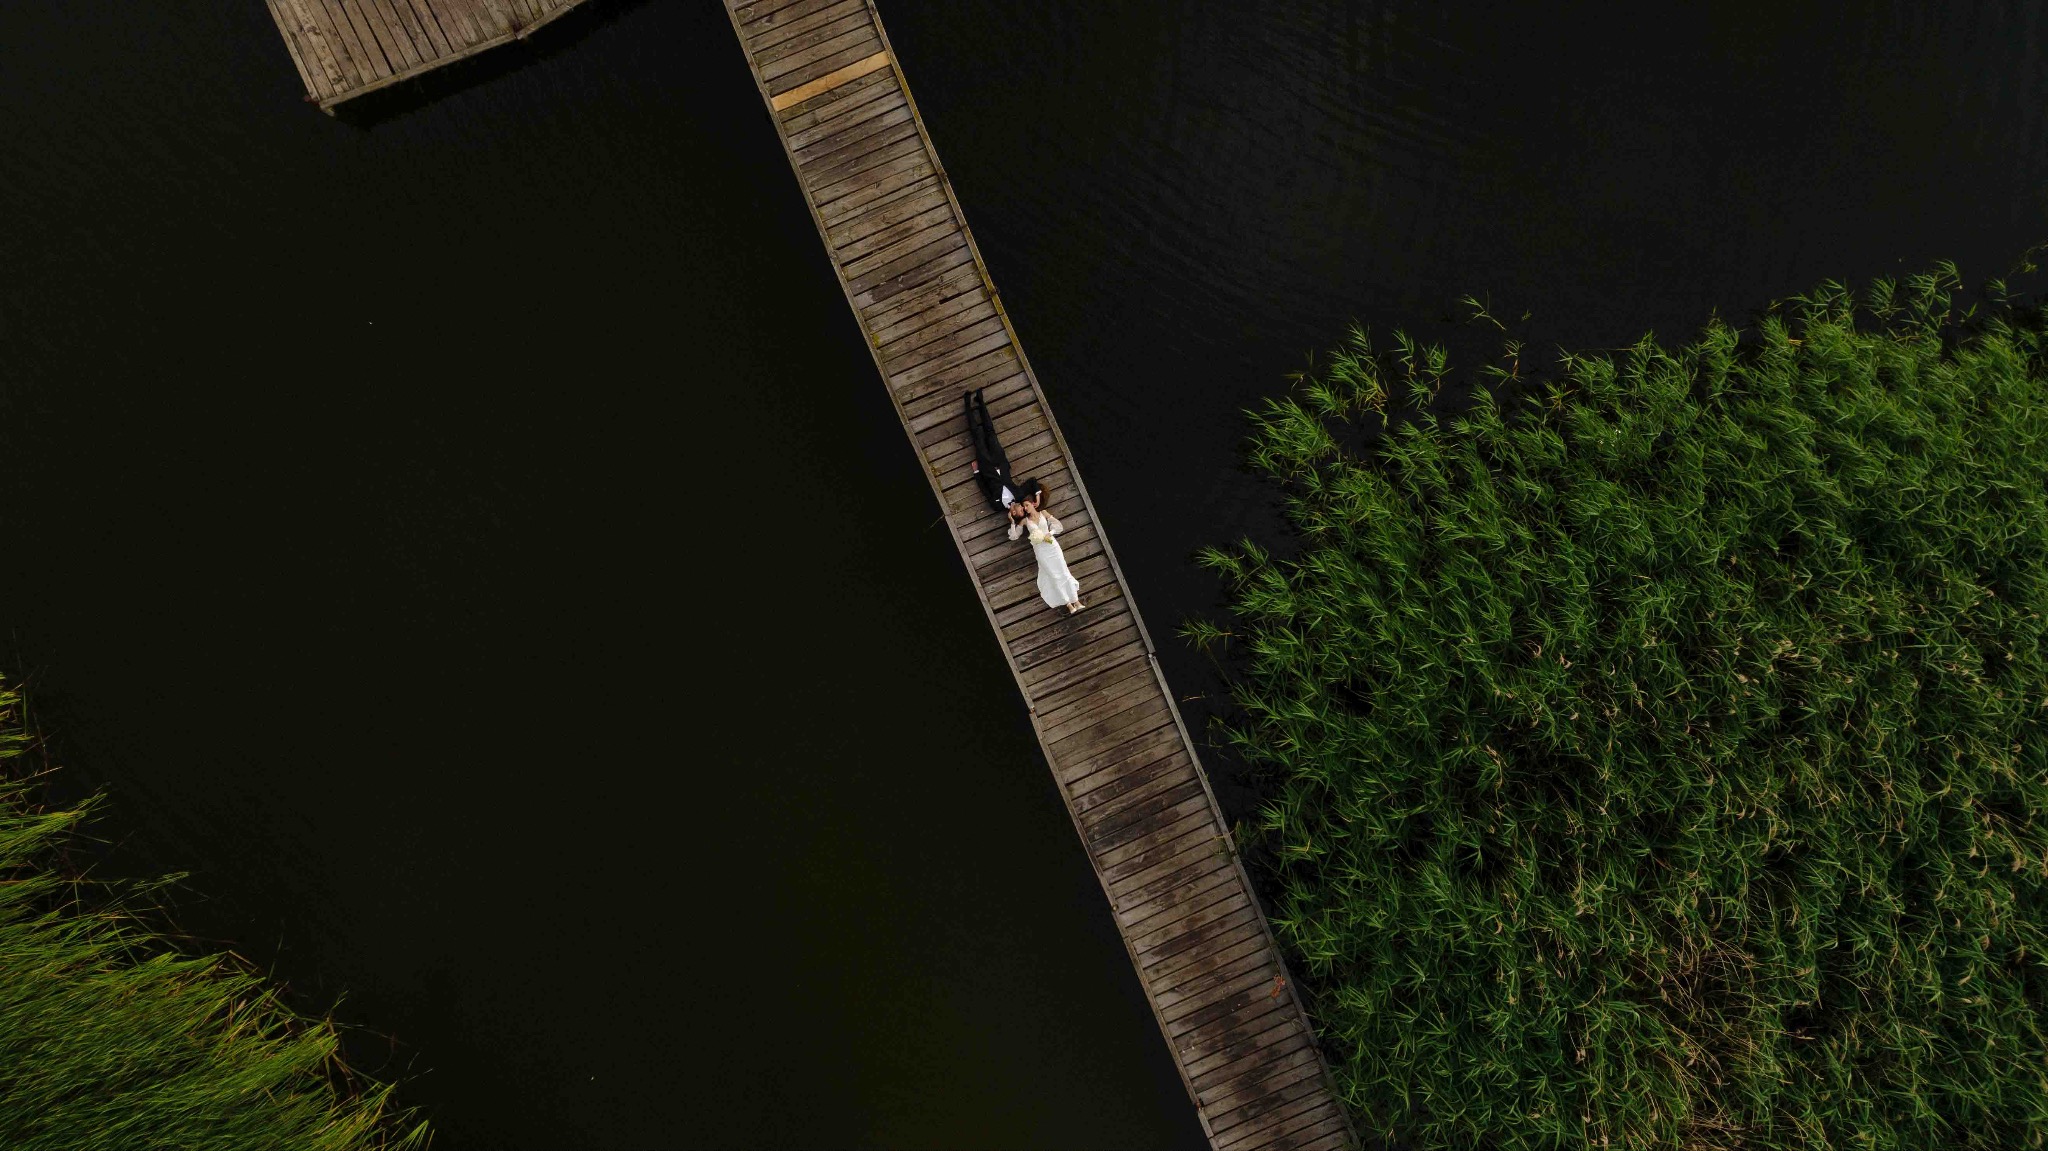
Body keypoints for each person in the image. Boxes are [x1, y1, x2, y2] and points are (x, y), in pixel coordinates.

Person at [965, 388, 1042, 511]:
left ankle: (967, 405)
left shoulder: (997, 506)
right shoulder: (1019, 495)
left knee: (977, 436)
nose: (1021, 508)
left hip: (986, 466)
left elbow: (984, 489)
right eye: (1023, 509)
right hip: (1000, 461)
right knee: (990, 432)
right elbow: (1032, 481)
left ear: (1014, 515)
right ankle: (980, 402)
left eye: (1021, 511)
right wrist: (1037, 497)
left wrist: (976, 472)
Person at [1007, 494, 1083, 614]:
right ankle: (1068, 604)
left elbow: (1058, 526)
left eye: (1026, 505)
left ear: (1033, 504)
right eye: (1023, 507)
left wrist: (1051, 532)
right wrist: (1012, 522)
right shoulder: (1025, 521)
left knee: (1064, 571)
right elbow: (1014, 536)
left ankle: (1076, 601)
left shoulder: (1043, 513)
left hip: (1052, 546)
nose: (1025, 508)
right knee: (1054, 575)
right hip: (1041, 551)